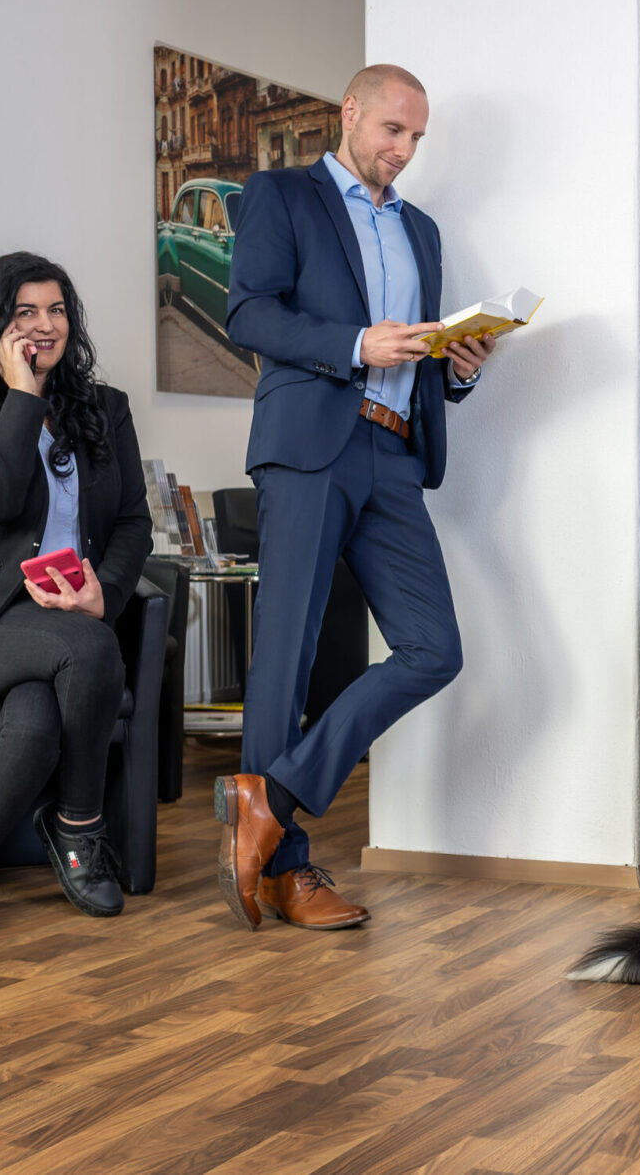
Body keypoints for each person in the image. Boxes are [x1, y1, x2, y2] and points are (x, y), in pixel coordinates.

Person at [215, 64, 496, 932]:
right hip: (310, 446)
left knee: (434, 649)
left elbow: (415, 352)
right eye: (392, 131)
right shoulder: (281, 196)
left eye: (417, 138)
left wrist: (457, 367)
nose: (404, 150)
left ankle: (272, 797)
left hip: (394, 453)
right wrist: (354, 343)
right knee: (288, 654)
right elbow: (248, 315)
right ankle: (287, 873)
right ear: (351, 113)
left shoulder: (422, 231)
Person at [0, 252, 153, 937]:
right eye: (26, 312)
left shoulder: (106, 409)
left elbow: (133, 521)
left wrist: (104, 593)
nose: (46, 325)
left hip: (68, 617)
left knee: (36, 719)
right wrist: (23, 396)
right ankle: (80, 827)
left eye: (57, 310)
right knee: (91, 649)